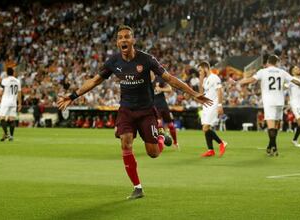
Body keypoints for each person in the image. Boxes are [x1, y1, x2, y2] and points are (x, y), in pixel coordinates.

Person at [57, 25, 212, 199]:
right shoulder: (113, 62)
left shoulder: (147, 60)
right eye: (120, 37)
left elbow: (169, 79)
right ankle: (137, 187)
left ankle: (161, 136)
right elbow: (95, 81)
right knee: (125, 143)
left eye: (127, 37)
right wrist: (72, 96)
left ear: (133, 40)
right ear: (117, 42)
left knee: (153, 153)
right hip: (126, 110)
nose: (123, 40)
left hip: (146, 111)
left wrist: (194, 94)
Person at [239, 55, 300, 156]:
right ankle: (270, 146)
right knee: (276, 125)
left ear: (268, 62)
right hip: (280, 102)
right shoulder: (282, 72)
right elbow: (294, 80)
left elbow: (250, 80)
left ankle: (274, 147)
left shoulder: (263, 71)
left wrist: (239, 82)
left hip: (269, 102)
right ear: (277, 62)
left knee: (271, 126)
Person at [198, 61, 227, 157]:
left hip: (213, 105)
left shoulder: (215, 78)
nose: (200, 72)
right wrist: (201, 79)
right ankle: (210, 150)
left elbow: (219, 91)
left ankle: (221, 143)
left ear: (205, 68)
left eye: (200, 70)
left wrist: (219, 105)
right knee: (206, 129)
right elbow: (201, 93)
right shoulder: (206, 79)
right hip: (206, 106)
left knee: (205, 127)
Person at [151, 72, 179, 149]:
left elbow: (169, 89)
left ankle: (175, 142)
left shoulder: (159, 79)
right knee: (159, 125)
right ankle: (160, 143)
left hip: (163, 105)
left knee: (171, 125)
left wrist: (161, 89)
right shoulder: (145, 81)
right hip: (154, 107)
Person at [0, 67, 22, 141]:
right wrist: (20, 103)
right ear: (13, 73)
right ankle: (11, 136)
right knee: (12, 119)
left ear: (6, 73)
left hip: (5, 101)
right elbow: (19, 93)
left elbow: (1, 92)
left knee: (2, 118)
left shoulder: (5, 80)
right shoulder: (17, 81)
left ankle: (6, 134)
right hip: (13, 102)